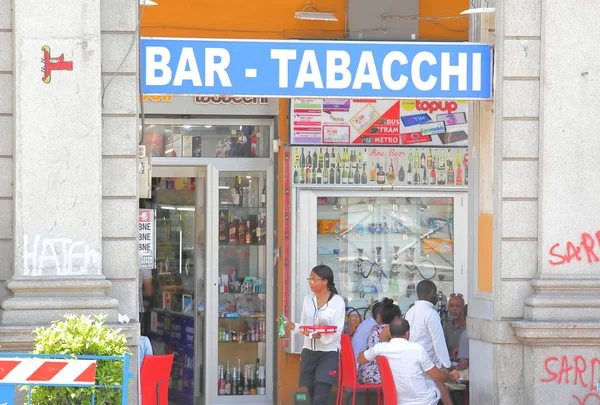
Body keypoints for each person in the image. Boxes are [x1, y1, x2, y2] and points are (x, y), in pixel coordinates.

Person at [357, 318, 460, 405]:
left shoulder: (380, 348)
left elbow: (360, 359)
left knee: (429, 382)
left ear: (390, 333)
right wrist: (451, 375)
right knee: (435, 384)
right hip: (422, 401)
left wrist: (369, 349)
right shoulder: (417, 349)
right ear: (407, 333)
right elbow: (437, 375)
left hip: (397, 400)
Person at [284, 265, 345, 405]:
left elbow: (338, 331)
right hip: (309, 353)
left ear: (325, 281)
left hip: (328, 354)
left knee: (321, 399)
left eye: (314, 279)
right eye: (309, 279)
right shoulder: (307, 300)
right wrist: (292, 326)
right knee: (312, 397)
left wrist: (321, 336)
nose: (311, 282)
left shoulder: (338, 302)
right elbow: (304, 326)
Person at [404, 280, 453, 405]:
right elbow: (438, 340)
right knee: (439, 385)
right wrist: (446, 365)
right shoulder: (431, 313)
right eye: (434, 293)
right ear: (426, 294)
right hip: (427, 363)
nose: (436, 296)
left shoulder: (410, 311)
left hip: (412, 361)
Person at [357, 298, 401, 384]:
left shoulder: (375, 328)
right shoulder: (391, 331)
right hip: (377, 374)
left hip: (364, 372)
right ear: (396, 318)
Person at [443, 293, 466, 360]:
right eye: (451, 306)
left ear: (463, 308)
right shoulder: (447, 326)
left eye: (457, 306)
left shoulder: (468, 327)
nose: (454, 309)